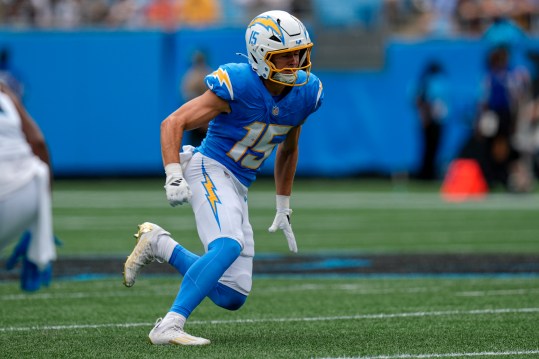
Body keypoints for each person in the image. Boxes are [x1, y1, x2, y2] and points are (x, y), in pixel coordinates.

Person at [123, 9, 324, 346]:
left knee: (231, 294)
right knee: (228, 244)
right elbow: (172, 123)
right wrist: (173, 175)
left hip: (240, 182)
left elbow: (289, 148)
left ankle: (159, 243)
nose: (295, 63)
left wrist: (283, 204)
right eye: (285, 56)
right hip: (210, 167)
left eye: (299, 53)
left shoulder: (307, 93)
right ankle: (169, 325)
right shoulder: (239, 82)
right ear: (261, 57)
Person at [0, 79, 56, 291]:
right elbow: (39, 143)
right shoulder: (4, 91)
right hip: (29, 190)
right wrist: (40, 222)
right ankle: (35, 243)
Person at [414, 60, 450, 180]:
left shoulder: (435, 82)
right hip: (431, 121)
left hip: (437, 120)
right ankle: (426, 173)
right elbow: (421, 101)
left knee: (434, 148)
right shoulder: (428, 82)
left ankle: (430, 172)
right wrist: (425, 117)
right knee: (429, 148)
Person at [179, 50, 212, 147]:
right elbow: (189, 98)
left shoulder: (193, 75)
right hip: (199, 120)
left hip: (204, 119)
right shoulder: (193, 76)